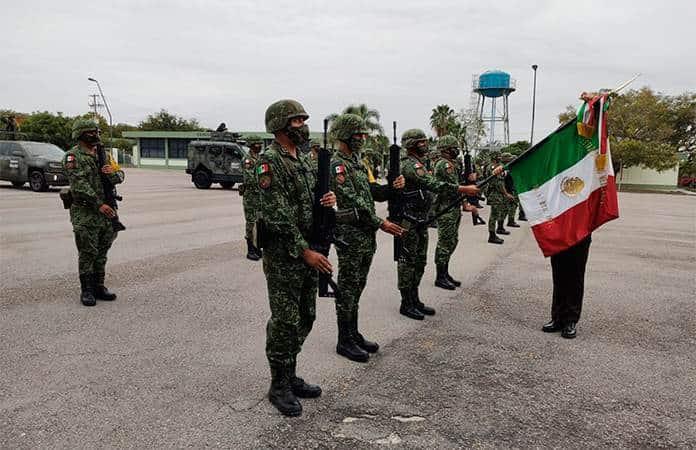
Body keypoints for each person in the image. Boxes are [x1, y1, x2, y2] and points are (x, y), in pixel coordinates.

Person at [257, 99, 336, 417]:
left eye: (304, 120)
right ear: (280, 125)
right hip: (286, 256)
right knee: (285, 321)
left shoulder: (302, 160)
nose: (303, 125)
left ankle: (289, 373)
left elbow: (310, 203)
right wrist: (305, 252)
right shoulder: (269, 161)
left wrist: (328, 199)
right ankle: (279, 385)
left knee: (306, 317)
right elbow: (276, 215)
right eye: (297, 121)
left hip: (309, 252)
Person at [328, 114, 405, 363]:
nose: (363, 138)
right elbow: (354, 201)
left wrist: (393, 186)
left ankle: (353, 333)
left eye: (364, 134)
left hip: (365, 234)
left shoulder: (360, 163)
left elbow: (374, 193)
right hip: (350, 234)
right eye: (358, 134)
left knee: (358, 285)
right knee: (348, 287)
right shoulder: (338, 165)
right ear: (346, 136)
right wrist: (381, 223)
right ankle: (344, 340)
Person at [397, 129, 481, 320]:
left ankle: (414, 299)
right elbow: (432, 183)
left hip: (420, 219)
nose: (426, 145)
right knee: (408, 262)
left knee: (419, 261)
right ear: (411, 144)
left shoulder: (420, 163)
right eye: (421, 142)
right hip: (408, 220)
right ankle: (406, 302)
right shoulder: (410, 165)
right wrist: (463, 188)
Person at [62, 118, 124, 306]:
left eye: (97, 131)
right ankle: (87, 290)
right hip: (86, 212)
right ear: (80, 134)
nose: (96, 135)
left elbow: (120, 175)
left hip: (107, 211)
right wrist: (99, 205)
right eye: (91, 132)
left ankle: (99, 286)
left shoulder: (104, 155)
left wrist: (111, 173)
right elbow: (79, 185)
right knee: (88, 251)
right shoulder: (72, 157)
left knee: (103, 250)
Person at [432, 135, 471, 290]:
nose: (457, 150)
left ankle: (445, 273)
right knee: (445, 242)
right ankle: (440, 276)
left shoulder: (451, 164)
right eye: (454, 148)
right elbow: (452, 187)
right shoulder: (444, 165)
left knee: (452, 241)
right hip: (445, 209)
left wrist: (464, 203)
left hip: (453, 208)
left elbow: (456, 185)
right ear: (446, 150)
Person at [542, 235, 592, 338]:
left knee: (576, 274)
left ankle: (570, 319)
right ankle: (558, 317)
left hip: (580, 231)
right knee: (558, 272)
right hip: (559, 229)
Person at [241, 135, 264, 260]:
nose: (259, 146)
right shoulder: (247, 160)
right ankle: (250, 250)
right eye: (257, 144)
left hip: (260, 196)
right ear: (251, 145)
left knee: (260, 222)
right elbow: (250, 178)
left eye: (260, 143)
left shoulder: (260, 158)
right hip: (251, 196)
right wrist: (263, 183)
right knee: (251, 222)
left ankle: (257, 248)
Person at [484, 151, 507, 244]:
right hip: (495, 193)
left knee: (496, 213)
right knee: (494, 215)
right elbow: (498, 183)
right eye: (498, 156)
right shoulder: (493, 167)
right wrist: (506, 194)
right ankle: (492, 235)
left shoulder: (497, 166)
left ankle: (494, 233)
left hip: (497, 193)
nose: (500, 157)